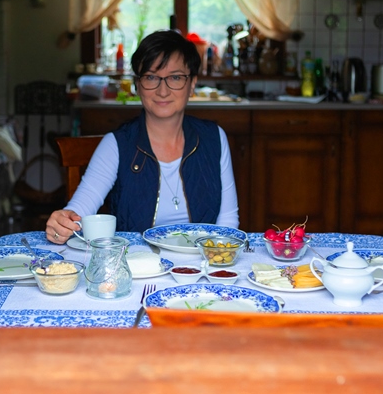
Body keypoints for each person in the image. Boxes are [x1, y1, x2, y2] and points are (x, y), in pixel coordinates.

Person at [46, 30, 239, 244]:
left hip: (203, 261)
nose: (163, 91)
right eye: (151, 77)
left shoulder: (214, 138)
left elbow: (228, 222)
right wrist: (62, 223)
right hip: (136, 262)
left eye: (175, 77)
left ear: (192, 83)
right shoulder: (116, 145)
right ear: (137, 85)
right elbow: (78, 213)